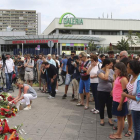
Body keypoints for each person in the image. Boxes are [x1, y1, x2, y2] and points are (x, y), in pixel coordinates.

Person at [118, 60, 140, 140]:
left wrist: (125, 95)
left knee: (137, 128)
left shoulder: (138, 80)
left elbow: (138, 98)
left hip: (137, 107)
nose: (126, 69)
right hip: (132, 105)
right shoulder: (131, 76)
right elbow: (129, 88)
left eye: (128, 67)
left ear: (132, 69)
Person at [109, 62, 128, 139]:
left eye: (116, 69)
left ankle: (119, 134)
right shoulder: (118, 77)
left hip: (121, 101)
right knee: (119, 118)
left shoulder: (123, 79)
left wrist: (120, 104)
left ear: (120, 70)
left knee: (121, 118)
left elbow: (124, 92)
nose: (114, 71)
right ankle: (118, 132)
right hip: (116, 100)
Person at [97, 58, 114, 126]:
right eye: (110, 65)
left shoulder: (112, 71)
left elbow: (113, 80)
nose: (111, 67)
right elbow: (105, 78)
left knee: (109, 106)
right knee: (102, 106)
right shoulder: (99, 72)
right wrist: (107, 70)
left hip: (109, 91)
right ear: (106, 65)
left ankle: (110, 119)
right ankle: (102, 119)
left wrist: (113, 89)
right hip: (101, 91)